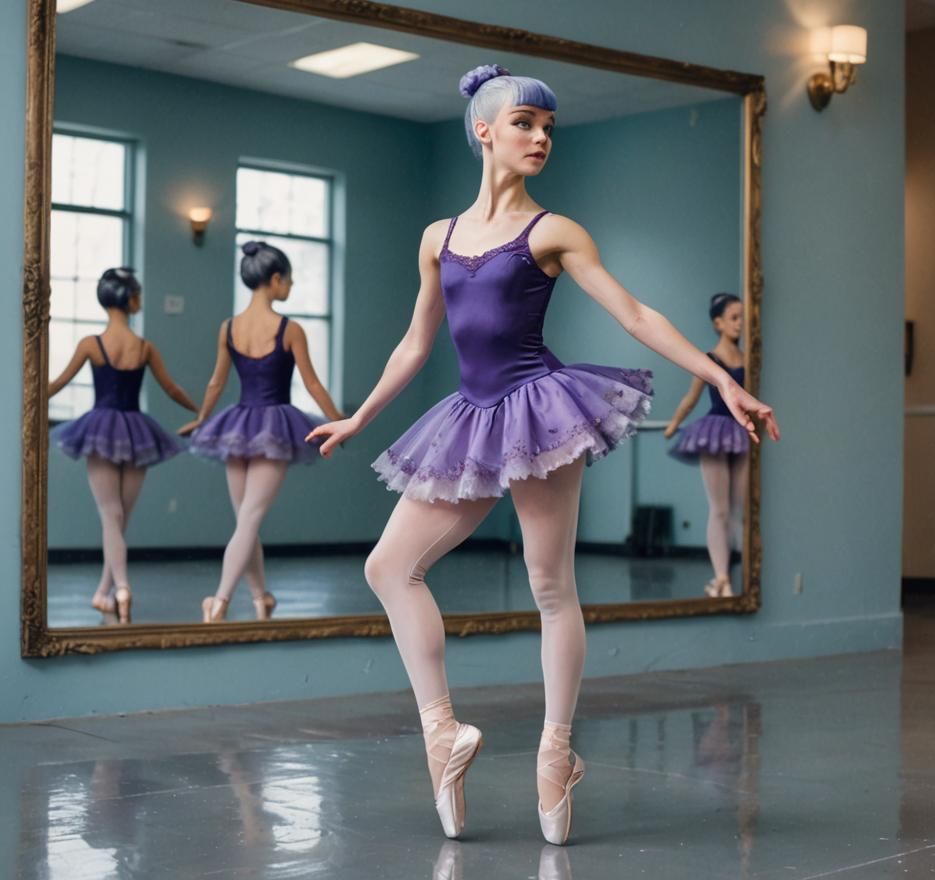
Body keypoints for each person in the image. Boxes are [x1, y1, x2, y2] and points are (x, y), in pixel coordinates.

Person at [307, 64, 780, 845]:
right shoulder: (439, 239)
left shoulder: (554, 232)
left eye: (549, 128)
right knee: (390, 567)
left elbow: (634, 314)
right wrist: (358, 416)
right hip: (469, 413)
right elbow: (417, 341)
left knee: (549, 583)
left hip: (540, 409)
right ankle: (442, 734)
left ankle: (555, 755)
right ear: (485, 131)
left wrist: (719, 380)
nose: (540, 138)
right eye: (526, 124)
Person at [180, 242, 342, 623]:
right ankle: (219, 602)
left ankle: (260, 598)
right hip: (273, 428)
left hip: (237, 425)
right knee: (249, 521)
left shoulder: (229, 327)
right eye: (289, 280)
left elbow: (216, 383)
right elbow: (314, 385)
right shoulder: (290, 329)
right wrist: (340, 421)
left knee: (245, 521)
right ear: (274, 280)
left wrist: (204, 417)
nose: (291, 286)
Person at [48, 267, 198, 623]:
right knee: (117, 521)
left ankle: (122, 588)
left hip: (100, 429)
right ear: (129, 299)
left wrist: (29, 398)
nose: (140, 300)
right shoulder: (144, 347)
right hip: (135, 432)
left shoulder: (91, 343)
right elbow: (172, 389)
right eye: (138, 294)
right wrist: (201, 410)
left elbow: (58, 383)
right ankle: (105, 593)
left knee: (110, 519)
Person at [664, 293, 750, 597]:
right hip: (714, 432)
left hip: (741, 434)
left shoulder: (749, 358)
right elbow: (691, 399)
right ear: (719, 323)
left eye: (743, 317)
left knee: (740, 509)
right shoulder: (710, 361)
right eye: (734, 318)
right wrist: (673, 424)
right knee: (720, 509)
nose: (740, 324)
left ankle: (734, 573)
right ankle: (721, 576)